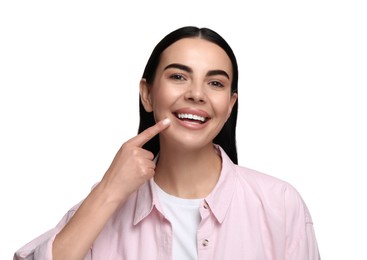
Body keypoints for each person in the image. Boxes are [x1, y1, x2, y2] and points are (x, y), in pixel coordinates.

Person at [14, 26, 320, 260]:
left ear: (230, 104)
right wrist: (108, 190)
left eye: (215, 83)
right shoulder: (104, 205)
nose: (197, 94)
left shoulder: (280, 203)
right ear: (147, 94)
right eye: (178, 76)